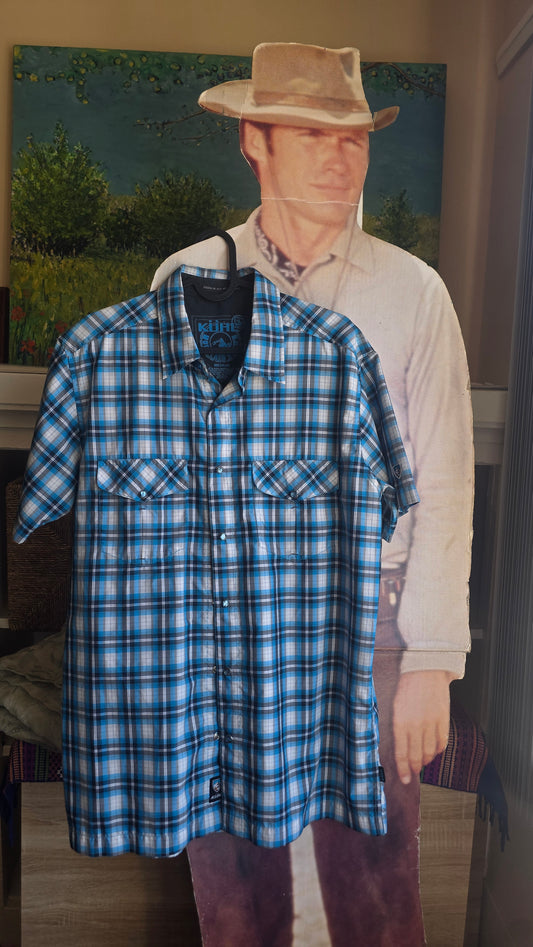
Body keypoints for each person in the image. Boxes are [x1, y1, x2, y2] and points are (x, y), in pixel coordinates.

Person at [151, 43, 473, 946]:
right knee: (233, 894)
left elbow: (446, 481)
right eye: (310, 136)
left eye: (353, 139)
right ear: (254, 141)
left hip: (369, 628)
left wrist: (430, 662)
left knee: (376, 898)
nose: (338, 158)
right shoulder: (186, 280)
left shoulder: (414, 293)